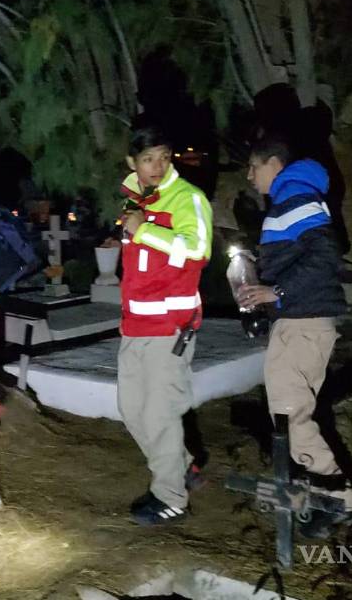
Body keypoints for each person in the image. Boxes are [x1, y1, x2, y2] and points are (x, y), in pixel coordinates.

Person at [238, 135, 352, 538]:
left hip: (302, 321)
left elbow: (325, 255)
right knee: (291, 410)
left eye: (253, 168)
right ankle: (321, 493)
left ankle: (338, 497)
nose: (250, 177)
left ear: (273, 163)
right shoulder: (293, 198)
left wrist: (279, 291)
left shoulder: (293, 194)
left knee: (290, 413)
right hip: (300, 320)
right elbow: (305, 253)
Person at [116, 125, 213, 526]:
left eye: (163, 157)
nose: (156, 166)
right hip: (135, 324)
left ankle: (171, 497)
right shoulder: (134, 200)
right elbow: (145, 259)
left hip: (170, 326)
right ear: (132, 163)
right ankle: (185, 466)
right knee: (131, 410)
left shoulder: (187, 198)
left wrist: (145, 231)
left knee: (158, 413)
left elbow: (198, 249)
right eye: (147, 159)